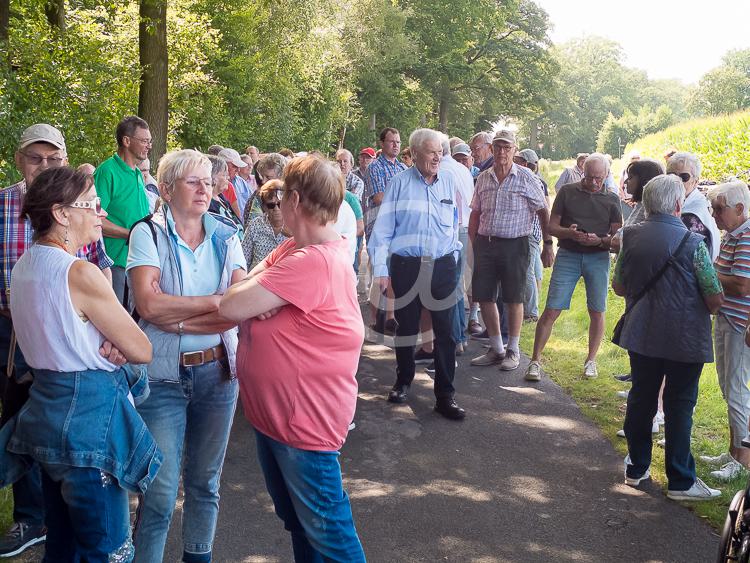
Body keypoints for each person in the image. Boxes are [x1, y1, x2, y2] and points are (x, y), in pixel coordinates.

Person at [2, 166, 160, 559]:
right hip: (89, 424)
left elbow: (63, 330)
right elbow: (141, 349)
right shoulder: (80, 273)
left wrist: (105, 335)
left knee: (63, 543)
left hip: (48, 418)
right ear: (61, 213)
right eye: (91, 205)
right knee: (107, 550)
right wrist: (112, 337)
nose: (100, 214)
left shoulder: (24, 265)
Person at [219, 155, 366, 562]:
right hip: (279, 421)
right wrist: (257, 293)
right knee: (304, 526)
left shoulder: (310, 260)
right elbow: (245, 287)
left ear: (295, 200)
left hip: (303, 425)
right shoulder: (295, 247)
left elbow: (231, 304)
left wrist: (254, 295)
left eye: (282, 194)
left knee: (331, 537)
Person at [0, 123, 114, 558]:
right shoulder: (3, 205)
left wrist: (106, 323)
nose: (44, 165)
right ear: (19, 160)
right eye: (35, 157)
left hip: (75, 330)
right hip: (12, 332)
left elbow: (101, 265)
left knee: (67, 422)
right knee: (24, 423)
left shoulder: (83, 210)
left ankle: (65, 519)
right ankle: (32, 518)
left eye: (53, 158)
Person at [127, 149, 247, 562]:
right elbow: (148, 306)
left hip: (218, 373)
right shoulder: (148, 233)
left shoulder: (227, 232)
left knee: (205, 484)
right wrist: (214, 303)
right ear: (166, 188)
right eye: (193, 181)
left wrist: (179, 317)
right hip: (162, 378)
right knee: (159, 493)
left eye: (208, 182)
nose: (204, 189)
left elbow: (237, 304)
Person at [612, 174, 723, 501]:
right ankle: (680, 480)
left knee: (641, 397)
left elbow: (619, 286)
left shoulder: (629, 236)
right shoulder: (694, 243)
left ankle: (636, 467)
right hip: (684, 339)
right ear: (678, 204)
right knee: (679, 405)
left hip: (642, 333)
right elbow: (714, 298)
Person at [369, 128, 465, 419]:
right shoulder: (399, 184)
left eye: (440, 151)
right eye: (432, 151)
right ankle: (403, 380)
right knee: (407, 328)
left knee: (446, 332)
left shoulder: (449, 182)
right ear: (415, 153)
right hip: (406, 265)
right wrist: (382, 271)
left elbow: (456, 223)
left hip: (443, 265)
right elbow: (383, 230)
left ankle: (445, 395)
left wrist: (454, 257)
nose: (438, 157)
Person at [525, 154, 622, 381]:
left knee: (597, 309)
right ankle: (535, 361)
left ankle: (591, 361)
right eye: (590, 177)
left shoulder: (612, 199)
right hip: (568, 254)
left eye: (599, 178)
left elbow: (617, 237)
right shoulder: (567, 192)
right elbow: (551, 225)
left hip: (598, 257)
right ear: (582, 173)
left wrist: (598, 240)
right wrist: (570, 233)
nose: (594, 182)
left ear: (606, 175)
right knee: (552, 309)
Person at [469, 130, 553, 371]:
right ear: (491, 149)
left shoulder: (526, 177)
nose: (502, 152)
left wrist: (547, 244)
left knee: (513, 297)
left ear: (515, 150)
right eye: (498, 147)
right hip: (486, 242)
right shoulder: (484, 177)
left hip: (516, 244)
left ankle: (513, 349)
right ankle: (496, 348)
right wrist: (474, 244)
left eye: (507, 147)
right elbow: (475, 212)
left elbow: (543, 211)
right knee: (484, 296)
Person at [702, 180, 750, 481]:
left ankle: (743, 460)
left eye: (720, 209)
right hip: (726, 318)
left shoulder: (745, 237)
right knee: (728, 388)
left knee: (737, 391)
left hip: (739, 323)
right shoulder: (733, 235)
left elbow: (743, 284)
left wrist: (708, 271)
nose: (715, 215)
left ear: (740, 209)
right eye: (714, 209)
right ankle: (734, 451)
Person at [94, 115, 152, 302]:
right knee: (117, 321)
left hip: (138, 260)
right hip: (114, 263)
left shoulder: (137, 172)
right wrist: (132, 234)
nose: (148, 146)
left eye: (149, 141)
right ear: (126, 141)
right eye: (144, 140)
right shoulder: (107, 171)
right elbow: (94, 219)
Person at [364, 128, 408, 336]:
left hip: (398, 227)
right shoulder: (375, 167)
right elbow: (379, 197)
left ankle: (390, 317)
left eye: (398, 142)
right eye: (392, 142)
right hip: (379, 227)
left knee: (394, 273)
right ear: (382, 143)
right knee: (380, 273)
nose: (396, 145)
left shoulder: (401, 167)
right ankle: (374, 319)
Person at [513, 148, 549, 321]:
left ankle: (531, 312)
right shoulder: (538, 180)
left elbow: (543, 209)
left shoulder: (531, 180)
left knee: (527, 272)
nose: (514, 162)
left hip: (529, 232)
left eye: (517, 160)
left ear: (526, 164)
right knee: (533, 270)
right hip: (533, 232)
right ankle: (532, 310)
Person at [667, 152, 721, 260]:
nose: (677, 181)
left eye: (684, 177)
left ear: (695, 181)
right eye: (671, 175)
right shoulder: (676, 201)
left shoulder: (693, 215)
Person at [241, 179, 288, 269]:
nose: (276, 209)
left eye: (280, 204)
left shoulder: (294, 228)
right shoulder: (255, 226)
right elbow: (243, 260)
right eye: (271, 205)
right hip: (256, 278)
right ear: (264, 207)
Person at [245, 153, 288, 225]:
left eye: (268, 177)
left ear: (282, 176)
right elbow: (253, 227)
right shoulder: (259, 196)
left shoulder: (290, 194)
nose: (263, 181)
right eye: (262, 176)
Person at [207, 154, 244, 234]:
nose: (228, 177)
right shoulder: (208, 204)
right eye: (224, 175)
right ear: (212, 177)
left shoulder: (220, 197)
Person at [219, 148, 252, 218]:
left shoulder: (242, 182)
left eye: (238, 166)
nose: (238, 169)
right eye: (234, 166)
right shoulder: (211, 186)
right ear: (223, 165)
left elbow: (253, 204)